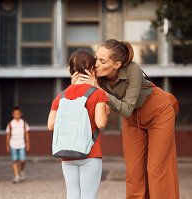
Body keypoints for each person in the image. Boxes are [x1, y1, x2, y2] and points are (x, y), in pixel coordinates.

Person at [72, 39, 179, 199]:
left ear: (117, 64)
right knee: (134, 173)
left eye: (102, 61)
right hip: (132, 120)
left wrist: (99, 90)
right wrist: (76, 86)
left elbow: (127, 109)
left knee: (157, 169)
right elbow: (92, 105)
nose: (96, 64)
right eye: (96, 58)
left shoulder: (132, 70)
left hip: (158, 112)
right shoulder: (96, 75)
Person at [48, 49, 109, 199]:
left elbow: (50, 125)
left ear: (71, 71)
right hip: (90, 153)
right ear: (92, 70)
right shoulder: (97, 93)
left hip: (67, 154)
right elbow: (101, 123)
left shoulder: (61, 96)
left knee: (72, 195)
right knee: (88, 196)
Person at [6, 106, 30, 183]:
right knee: (15, 160)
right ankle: (16, 176)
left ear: (21, 114)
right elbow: (8, 135)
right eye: (15, 114)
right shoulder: (10, 124)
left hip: (22, 144)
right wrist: (7, 145)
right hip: (13, 144)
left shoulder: (23, 123)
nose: (17, 115)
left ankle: (22, 171)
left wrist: (28, 144)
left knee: (23, 160)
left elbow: (26, 134)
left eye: (18, 113)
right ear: (13, 114)